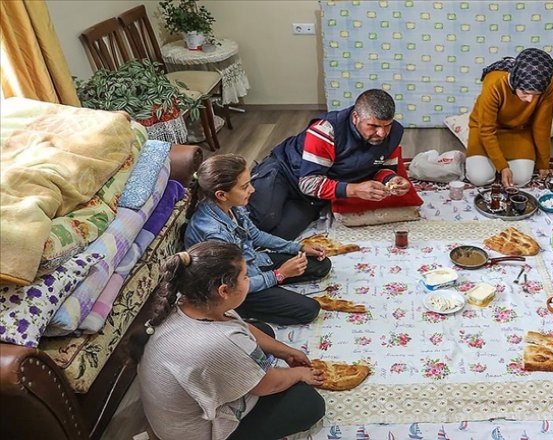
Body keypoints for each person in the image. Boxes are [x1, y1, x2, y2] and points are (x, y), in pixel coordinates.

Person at [130, 241, 325, 440]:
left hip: (174, 413)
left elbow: (241, 326)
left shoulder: (189, 300)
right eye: (246, 277)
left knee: (264, 331)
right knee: (308, 402)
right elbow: (267, 385)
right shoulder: (220, 343)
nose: (249, 280)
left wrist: (285, 351)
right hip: (195, 433)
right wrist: (299, 373)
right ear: (224, 291)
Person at [247, 89, 412, 240]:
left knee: (279, 237)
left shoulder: (394, 132)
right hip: (285, 172)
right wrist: (354, 190)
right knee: (260, 221)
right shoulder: (326, 130)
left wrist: (391, 180)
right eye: (373, 126)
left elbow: (383, 168)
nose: (382, 133)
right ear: (355, 117)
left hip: (312, 195)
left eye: (387, 125)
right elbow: (308, 183)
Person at [185, 154, 330, 326]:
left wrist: (298, 247)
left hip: (249, 264)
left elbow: (256, 235)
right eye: (245, 187)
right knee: (310, 310)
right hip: (236, 288)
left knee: (321, 265)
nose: (252, 190)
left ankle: (271, 290)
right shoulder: (214, 234)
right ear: (222, 194)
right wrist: (279, 275)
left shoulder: (230, 206)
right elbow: (232, 286)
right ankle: (242, 311)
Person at [466, 47, 553, 188]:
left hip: (518, 131)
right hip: (485, 130)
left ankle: (498, 164)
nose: (529, 100)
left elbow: (542, 126)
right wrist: (503, 167)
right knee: (480, 178)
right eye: (525, 92)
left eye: (536, 95)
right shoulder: (494, 83)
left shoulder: (549, 84)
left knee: (520, 180)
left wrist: (544, 163)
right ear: (515, 79)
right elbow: (486, 130)